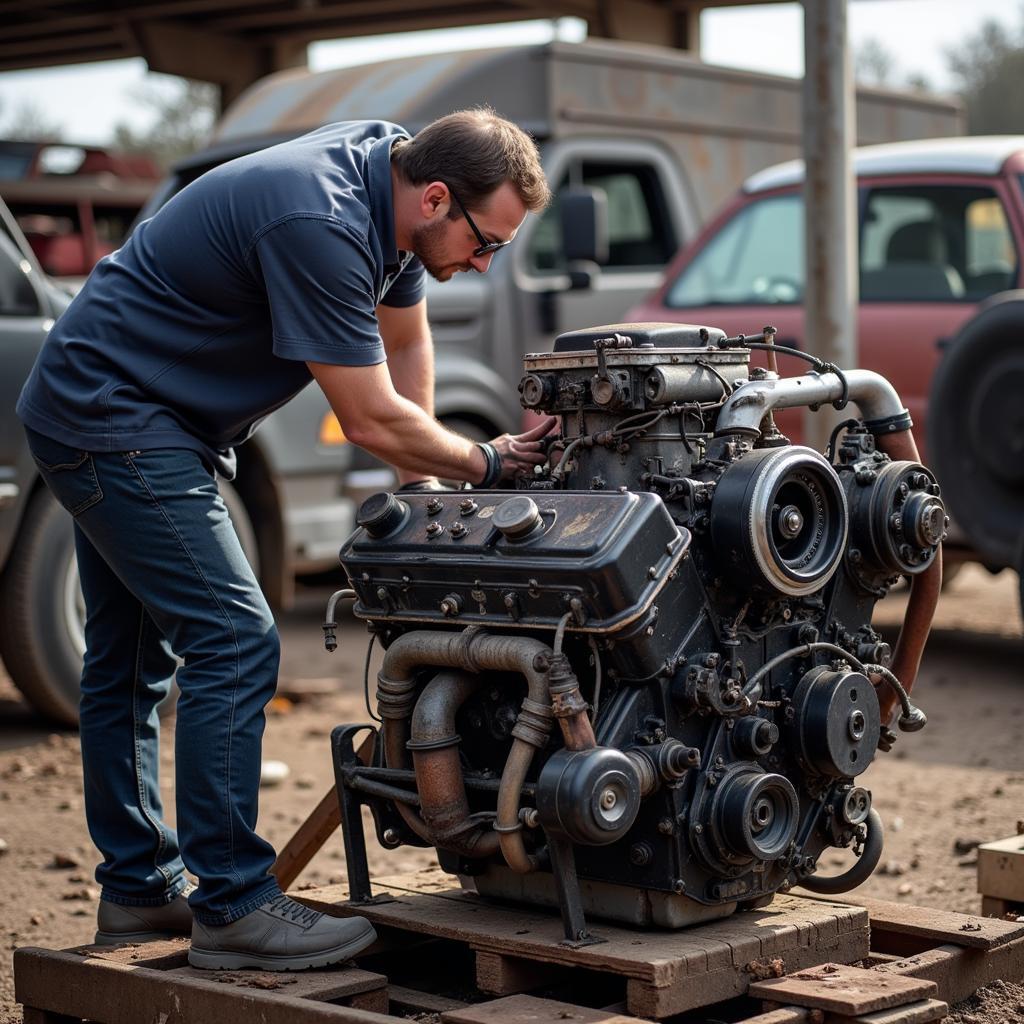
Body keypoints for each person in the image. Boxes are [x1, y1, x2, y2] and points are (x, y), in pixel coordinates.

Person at [16, 108, 554, 971]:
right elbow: (370, 416)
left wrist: (423, 492)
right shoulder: (322, 220)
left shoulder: (396, 181)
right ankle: (233, 906)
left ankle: (137, 892)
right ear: (438, 198)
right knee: (233, 635)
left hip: (133, 410)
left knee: (128, 659)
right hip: (112, 416)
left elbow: (403, 339)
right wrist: (486, 464)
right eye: (485, 242)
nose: (485, 263)